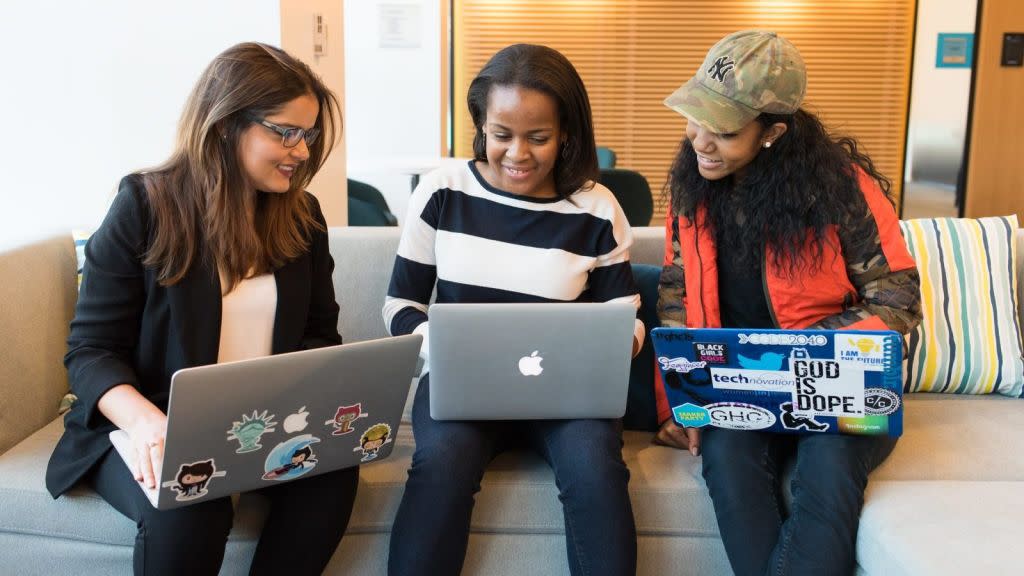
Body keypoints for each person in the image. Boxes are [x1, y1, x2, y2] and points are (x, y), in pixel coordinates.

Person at [45, 42, 358, 576]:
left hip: (262, 424)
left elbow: (319, 336)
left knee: (332, 477)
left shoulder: (302, 217)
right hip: (148, 426)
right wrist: (147, 424)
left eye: (307, 135)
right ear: (226, 125)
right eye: (285, 131)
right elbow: (92, 350)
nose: (302, 150)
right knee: (194, 500)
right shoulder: (143, 206)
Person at [654, 30, 922, 575]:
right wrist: (675, 405)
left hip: (838, 383)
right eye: (695, 117)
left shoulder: (841, 191)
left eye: (723, 130)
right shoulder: (691, 189)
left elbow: (897, 300)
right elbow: (676, 297)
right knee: (727, 464)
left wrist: (800, 352)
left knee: (826, 472)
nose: (699, 140)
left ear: (772, 132)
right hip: (737, 386)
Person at [384, 43, 642, 576]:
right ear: (481, 126)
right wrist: (447, 346)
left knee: (596, 467)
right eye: (501, 135)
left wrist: (616, 346)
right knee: (442, 463)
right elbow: (400, 306)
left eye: (538, 138)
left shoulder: (596, 208)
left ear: (566, 132)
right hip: (461, 386)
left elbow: (629, 319)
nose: (518, 154)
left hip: (567, 394)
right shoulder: (442, 192)